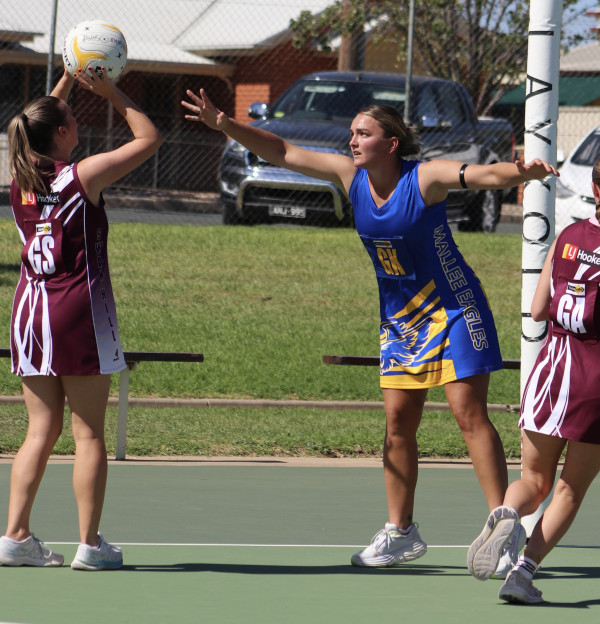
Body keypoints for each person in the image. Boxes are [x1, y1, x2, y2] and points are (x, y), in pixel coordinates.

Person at [181, 88, 557, 570]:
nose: (353, 141)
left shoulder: (424, 178)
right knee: (398, 423)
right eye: (352, 133)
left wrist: (520, 172)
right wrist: (225, 125)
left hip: (455, 309)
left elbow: (480, 175)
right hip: (402, 320)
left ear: (391, 143)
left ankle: (500, 532)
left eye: (363, 133)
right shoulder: (349, 177)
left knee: (468, 414)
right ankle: (401, 532)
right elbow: (281, 151)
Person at [0, 66, 163, 570]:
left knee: (39, 430)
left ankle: (14, 535)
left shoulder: (21, 176)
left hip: (30, 312)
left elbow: (37, 120)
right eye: (72, 117)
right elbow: (149, 138)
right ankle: (90, 545)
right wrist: (111, 91)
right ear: (63, 132)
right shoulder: (83, 175)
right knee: (88, 432)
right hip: (76, 312)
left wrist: (69, 79)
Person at [467, 158, 600, 604]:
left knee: (535, 481)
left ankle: (507, 512)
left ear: (595, 190)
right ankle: (522, 574)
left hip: (550, 371)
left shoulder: (567, 236)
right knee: (569, 488)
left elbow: (540, 309)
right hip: (594, 380)